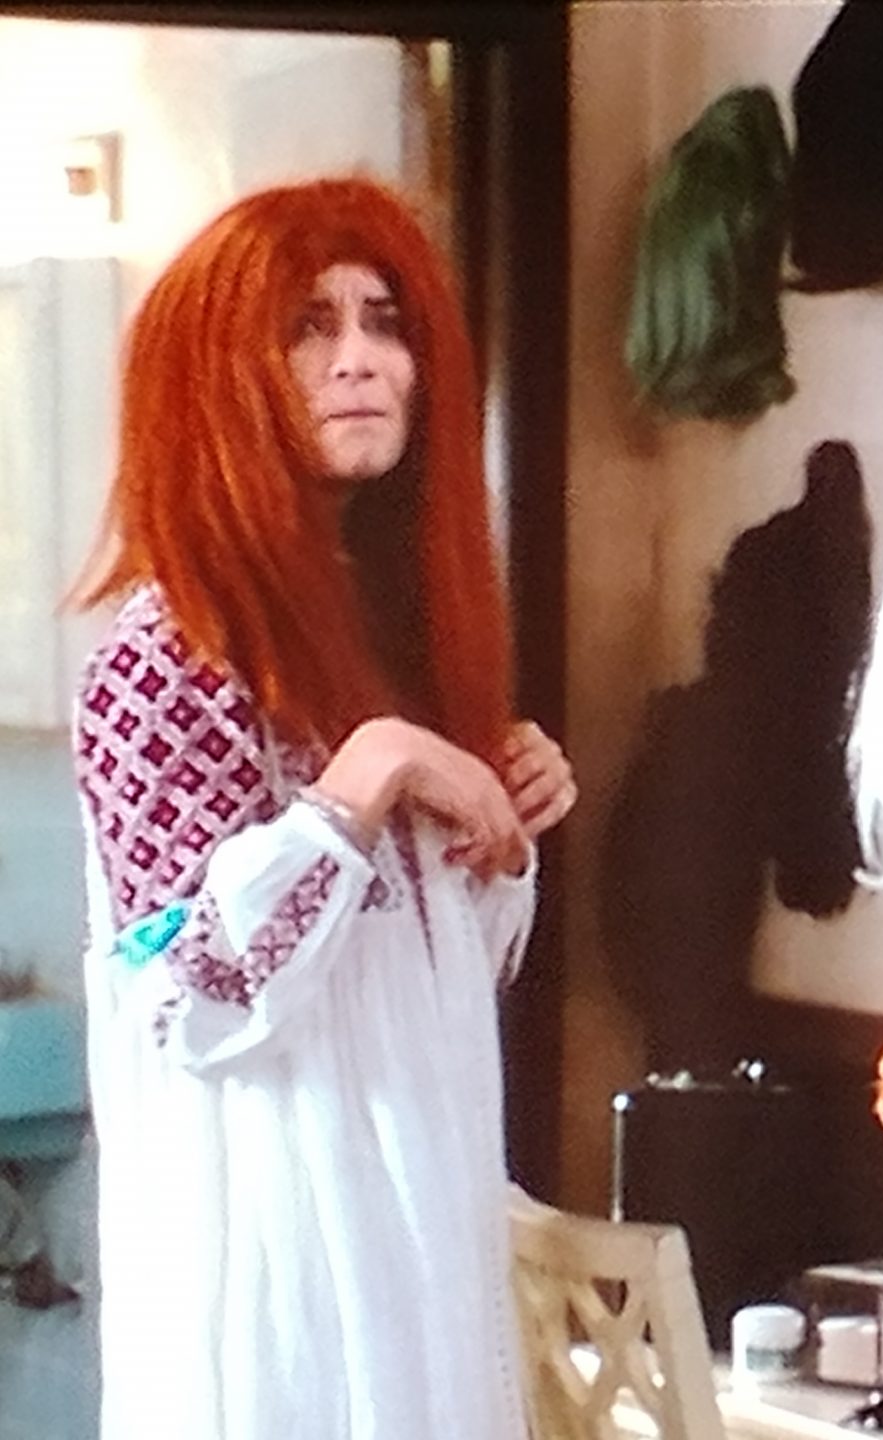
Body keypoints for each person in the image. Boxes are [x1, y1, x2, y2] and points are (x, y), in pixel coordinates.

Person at [70, 177, 575, 1440]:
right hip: (271, 1275)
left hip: (418, 1238)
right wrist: (371, 774)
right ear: (219, 375)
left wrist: (501, 826)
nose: (360, 361)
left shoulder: (400, 634)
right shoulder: (164, 653)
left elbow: (432, 984)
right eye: (309, 327)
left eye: (384, 322)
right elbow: (185, 1000)